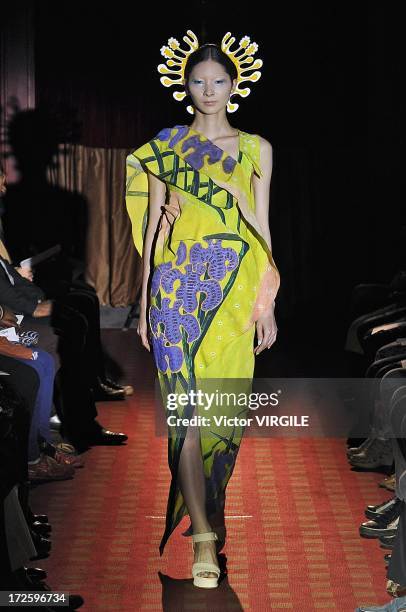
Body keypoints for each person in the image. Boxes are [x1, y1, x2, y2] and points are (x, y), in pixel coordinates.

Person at [126, 31, 280, 588]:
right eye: (199, 82)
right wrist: (143, 306)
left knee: (222, 414)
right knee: (186, 417)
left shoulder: (256, 149)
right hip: (174, 293)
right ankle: (203, 543)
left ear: (234, 86)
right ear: (185, 87)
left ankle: (207, 508)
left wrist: (266, 302)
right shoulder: (165, 147)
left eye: (218, 81)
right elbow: (150, 226)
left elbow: (262, 231)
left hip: (235, 294)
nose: (209, 90)